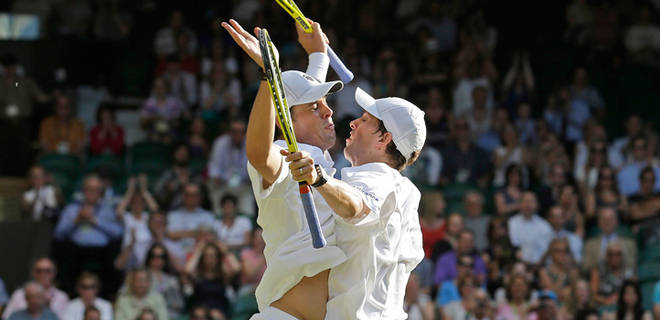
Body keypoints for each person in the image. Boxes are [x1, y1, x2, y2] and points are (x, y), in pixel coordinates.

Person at [221, 19, 347, 319]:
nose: (328, 110)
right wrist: (269, 74)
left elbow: (302, 87)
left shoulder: (322, 159)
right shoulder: (285, 153)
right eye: (314, 107)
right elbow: (258, 154)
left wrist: (318, 54)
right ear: (284, 122)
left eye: (325, 101)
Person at [284, 86, 426, 319]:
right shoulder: (404, 190)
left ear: (384, 138)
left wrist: (319, 179)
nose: (353, 123)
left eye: (365, 119)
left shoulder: (376, 177)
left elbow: (358, 208)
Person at [53, 174, 123, 295]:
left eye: (95, 189)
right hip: (76, 250)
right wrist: (76, 221)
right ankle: (69, 294)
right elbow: (58, 234)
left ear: (101, 192)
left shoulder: (108, 210)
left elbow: (118, 233)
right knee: (64, 251)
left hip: (103, 251)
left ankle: (107, 296)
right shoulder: (71, 209)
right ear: (83, 190)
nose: (91, 192)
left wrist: (95, 220)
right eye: (88, 189)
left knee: (114, 256)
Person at [207, 119, 253, 216]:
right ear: (230, 132)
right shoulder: (220, 143)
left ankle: (246, 222)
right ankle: (218, 219)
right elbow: (214, 167)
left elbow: (254, 167)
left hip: (243, 184)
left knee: (248, 200)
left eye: (241, 132)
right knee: (214, 191)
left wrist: (251, 179)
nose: (238, 135)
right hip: (223, 184)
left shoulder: (251, 142)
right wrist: (217, 179)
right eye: (235, 132)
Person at [115, 175, 159, 268]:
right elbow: (119, 211)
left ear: (144, 204)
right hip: (130, 250)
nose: (137, 205)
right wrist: (130, 191)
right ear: (130, 204)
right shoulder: (128, 217)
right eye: (134, 202)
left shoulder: (146, 216)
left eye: (140, 202)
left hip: (147, 249)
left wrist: (144, 190)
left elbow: (155, 210)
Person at [2, 258, 68, 320]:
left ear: (54, 273)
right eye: (39, 271)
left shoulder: (62, 297)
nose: (43, 274)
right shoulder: (18, 294)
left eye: (48, 271)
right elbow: (7, 317)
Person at [582, 207, 637, 272]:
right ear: (599, 223)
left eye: (611, 219)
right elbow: (585, 267)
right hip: (598, 279)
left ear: (616, 222)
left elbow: (632, 266)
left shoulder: (630, 244)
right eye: (604, 219)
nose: (607, 222)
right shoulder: (589, 245)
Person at [165, 183, 215, 253]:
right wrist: (196, 233)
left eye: (195, 195)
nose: (192, 198)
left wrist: (182, 233)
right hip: (179, 253)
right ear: (184, 197)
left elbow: (212, 235)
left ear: (199, 197)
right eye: (188, 195)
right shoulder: (173, 215)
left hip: (201, 254)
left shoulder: (208, 215)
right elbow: (170, 235)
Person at [154, 144, 203, 211]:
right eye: (179, 153)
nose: (182, 156)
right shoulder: (166, 174)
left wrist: (186, 185)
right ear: (174, 154)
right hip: (170, 212)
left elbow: (200, 196)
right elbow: (158, 195)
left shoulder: (194, 175)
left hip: (193, 212)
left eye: (184, 153)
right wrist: (169, 190)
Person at [507, 192, 552, 264]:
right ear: (519, 204)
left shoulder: (544, 226)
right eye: (525, 201)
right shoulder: (511, 223)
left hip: (540, 265)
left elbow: (547, 250)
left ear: (537, 205)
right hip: (517, 263)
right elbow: (512, 245)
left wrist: (538, 264)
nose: (528, 204)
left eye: (531, 201)